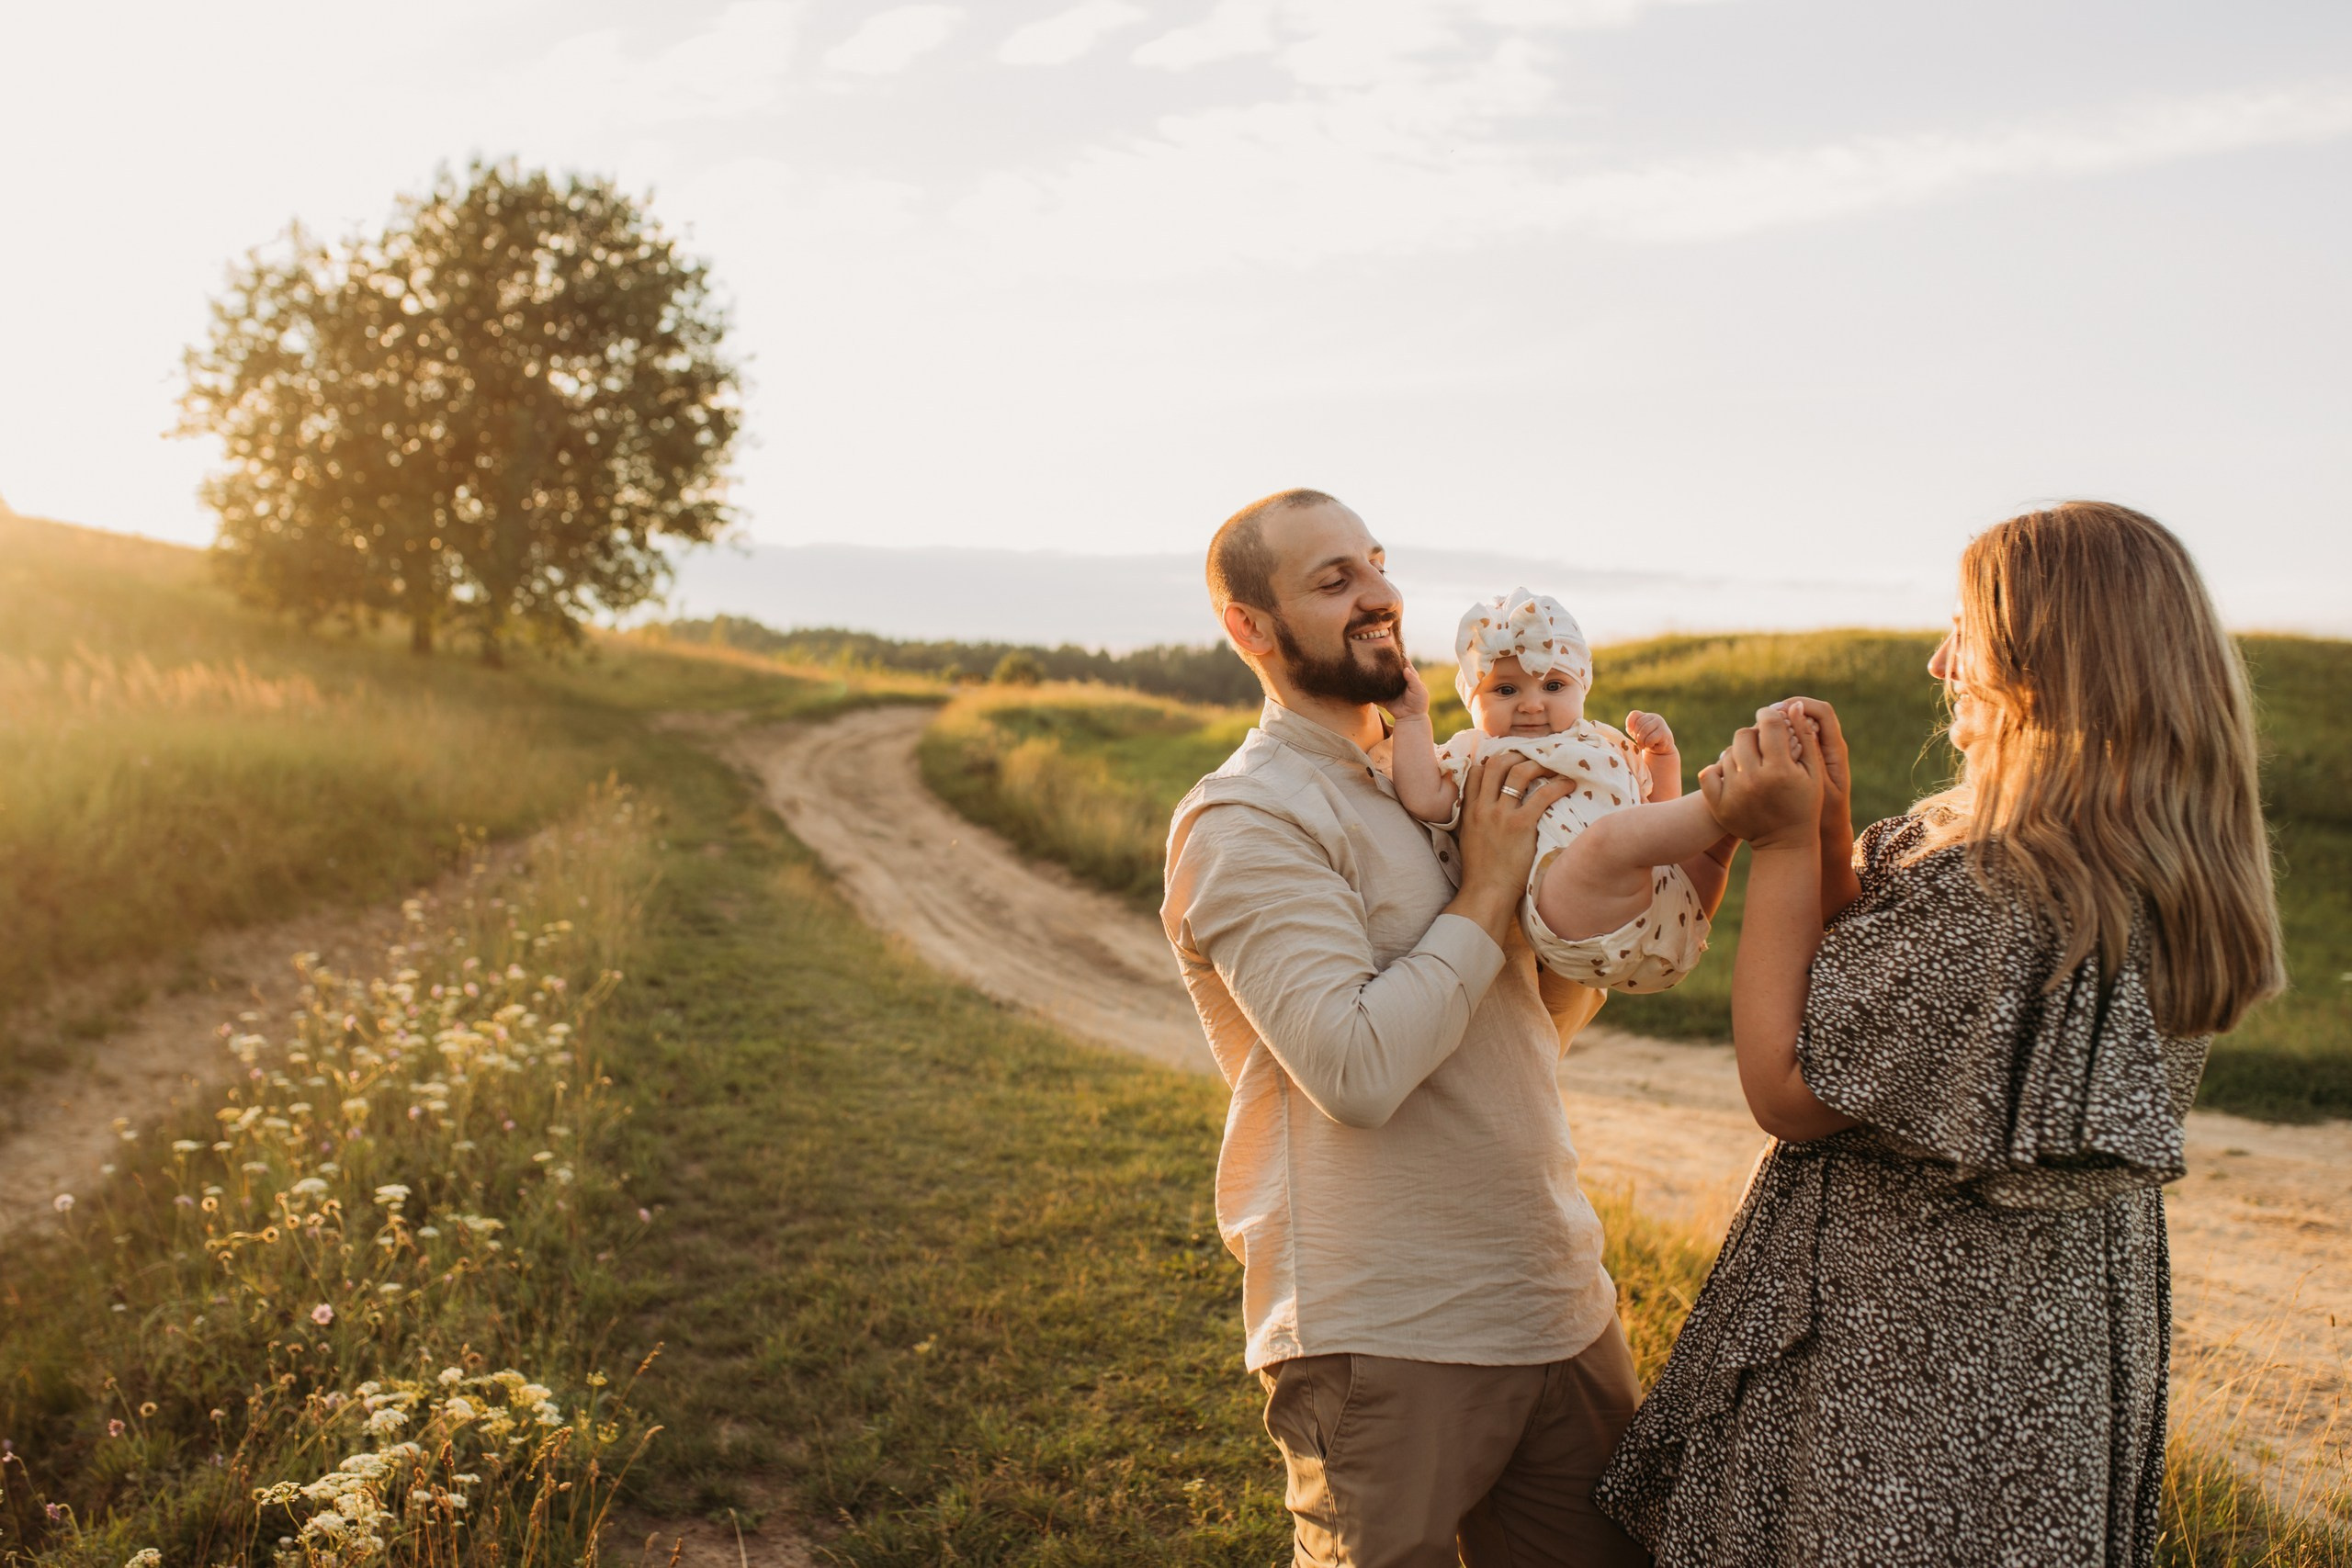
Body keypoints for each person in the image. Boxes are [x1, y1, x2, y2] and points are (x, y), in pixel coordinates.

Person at [1594, 502, 2288, 1567]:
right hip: (2041, 1345)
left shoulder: (2014, 888)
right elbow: (1870, 1003)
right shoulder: (2125, 863)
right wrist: (1830, 823)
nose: (1936, 662)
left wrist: (1778, 843)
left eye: (1964, 631)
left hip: (1917, 1353)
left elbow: (1793, 1083)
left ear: (2046, 663)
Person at [1161, 489, 1654, 1566]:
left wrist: (1612, 879)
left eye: (1377, 564)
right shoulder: (1249, 818)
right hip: (1386, 1336)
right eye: (1334, 579)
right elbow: (1358, 1070)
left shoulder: (1459, 773)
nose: (1379, 594)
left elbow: (1528, 1027)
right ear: (1249, 626)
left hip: (1558, 1301)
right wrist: (1486, 889)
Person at [1387, 586, 1732, 994]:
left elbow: (1658, 812)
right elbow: (1425, 797)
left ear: (1582, 687)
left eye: (1553, 686)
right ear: (1472, 701)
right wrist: (1412, 720)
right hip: (1570, 920)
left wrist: (1661, 758)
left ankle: (1740, 814)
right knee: (1609, 841)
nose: (1532, 705)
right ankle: (1731, 798)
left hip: (1670, 912)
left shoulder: (1604, 743)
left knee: (1711, 852)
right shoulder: (1477, 753)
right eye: (1506, 690)